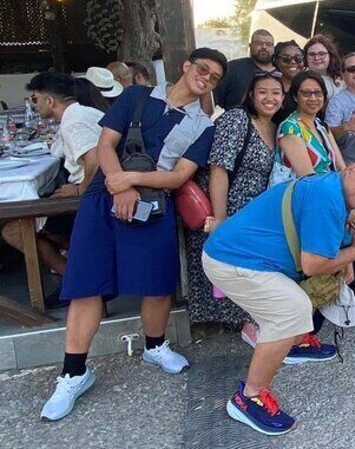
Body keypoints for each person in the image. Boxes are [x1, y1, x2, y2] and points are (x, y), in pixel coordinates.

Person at [40, 47, 227, 422]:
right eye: (202, 69)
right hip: (104, 196)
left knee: (156, 282)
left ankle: (155, 345)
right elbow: (106, 144)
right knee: (86, 282)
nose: (205, 78)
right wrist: (118, 185)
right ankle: (74, 371)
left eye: (214, 77)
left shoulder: (204, 126)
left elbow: (178, 176)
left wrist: (133, 180)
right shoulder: (135, 96)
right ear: (186, 65)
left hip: (155, 201)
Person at [201, 159, 355, 436]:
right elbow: (313, 264)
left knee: (292, 305)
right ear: (350, 170)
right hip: (230, 260)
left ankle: (294, 342)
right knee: (292, 308)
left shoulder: (336, 192)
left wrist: (350, 243)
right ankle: (248, 398)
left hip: (248, 258)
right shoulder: (327, 197)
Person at [186, 71, 285, 345]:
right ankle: (245, 326)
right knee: (232, 269)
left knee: (249, 270)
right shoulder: (237, 119)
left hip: (256, 211)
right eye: (263, 91)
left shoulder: (276, 127)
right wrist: (221, 216)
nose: (270, 98)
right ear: (251, 95)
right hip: (231, 206)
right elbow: (219, 167)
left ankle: (250, 322)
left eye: (276, 92)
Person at [1, 73, 103, 308]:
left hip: (92, 199)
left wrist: (79, 190)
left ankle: (78, 282)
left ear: (50, 101)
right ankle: (83, 272)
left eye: (35, 100)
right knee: (34, 220)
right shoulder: (77, 113)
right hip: (93, 194)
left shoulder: (74, 120)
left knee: (14, 230)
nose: (33, 106)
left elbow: (95, 160)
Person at [269, 71, 345, 186]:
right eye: (306, 93)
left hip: (327, 191)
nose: (313, 98)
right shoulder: (290, 128)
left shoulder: (321, 125)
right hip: (302, 197)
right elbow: (308, 178)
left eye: (318, 93)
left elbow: (341, 168)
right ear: (295, 97)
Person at [213, 29, 276, 110]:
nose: (264, 47)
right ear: (250, 46)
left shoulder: (281, 72)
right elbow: (212, 98)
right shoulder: (233, 68)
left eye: (269, 44)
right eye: (259, 43)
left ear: (274, 48)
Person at [303, 34, 344, 99]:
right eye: (312, 54)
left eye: (321, 54)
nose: (316, 58)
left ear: (330, 55)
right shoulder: (301, 79)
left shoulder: (341, 81)